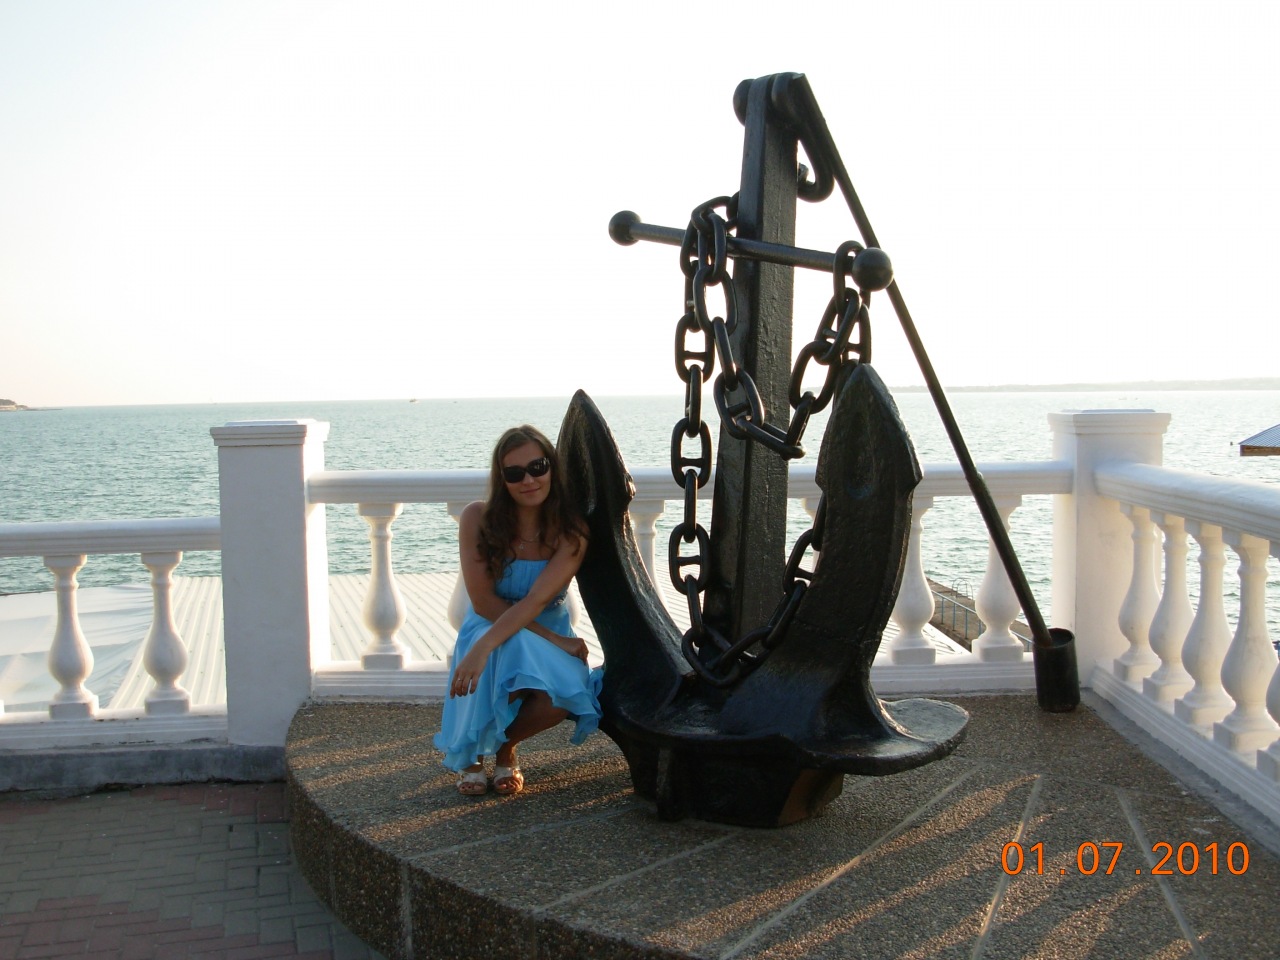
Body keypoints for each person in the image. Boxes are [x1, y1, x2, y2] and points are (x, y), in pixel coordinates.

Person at [433, 425, 603, 796]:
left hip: (543, 624)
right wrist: (487, 646)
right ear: (503, 479)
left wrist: (550, 638)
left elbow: (536, 602)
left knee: (562, 696)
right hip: (489, 623)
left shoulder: (570, 531)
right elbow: (483, 602)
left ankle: (504, 746)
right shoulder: (477, 518)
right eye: (515, 473)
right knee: (501, 647)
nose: (528, 480)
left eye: (537, 467)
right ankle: (474, 759)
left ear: (552, 468)